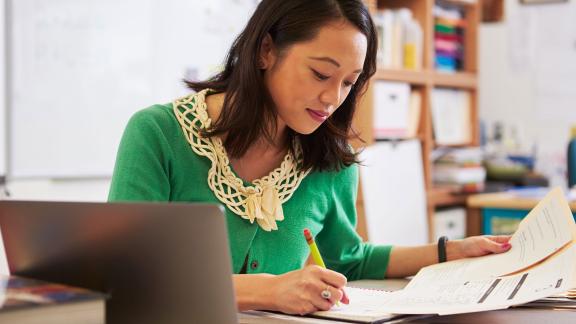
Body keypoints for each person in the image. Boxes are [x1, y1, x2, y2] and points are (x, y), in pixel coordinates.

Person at [108, 0, 511, 316]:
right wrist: (267, 290)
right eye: (321, 74)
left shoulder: (330, 161)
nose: (332, 99)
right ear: (266, 50)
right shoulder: (158, 135)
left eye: (349, 83)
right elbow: (129, 276)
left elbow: (347, 260)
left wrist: (449, 253)